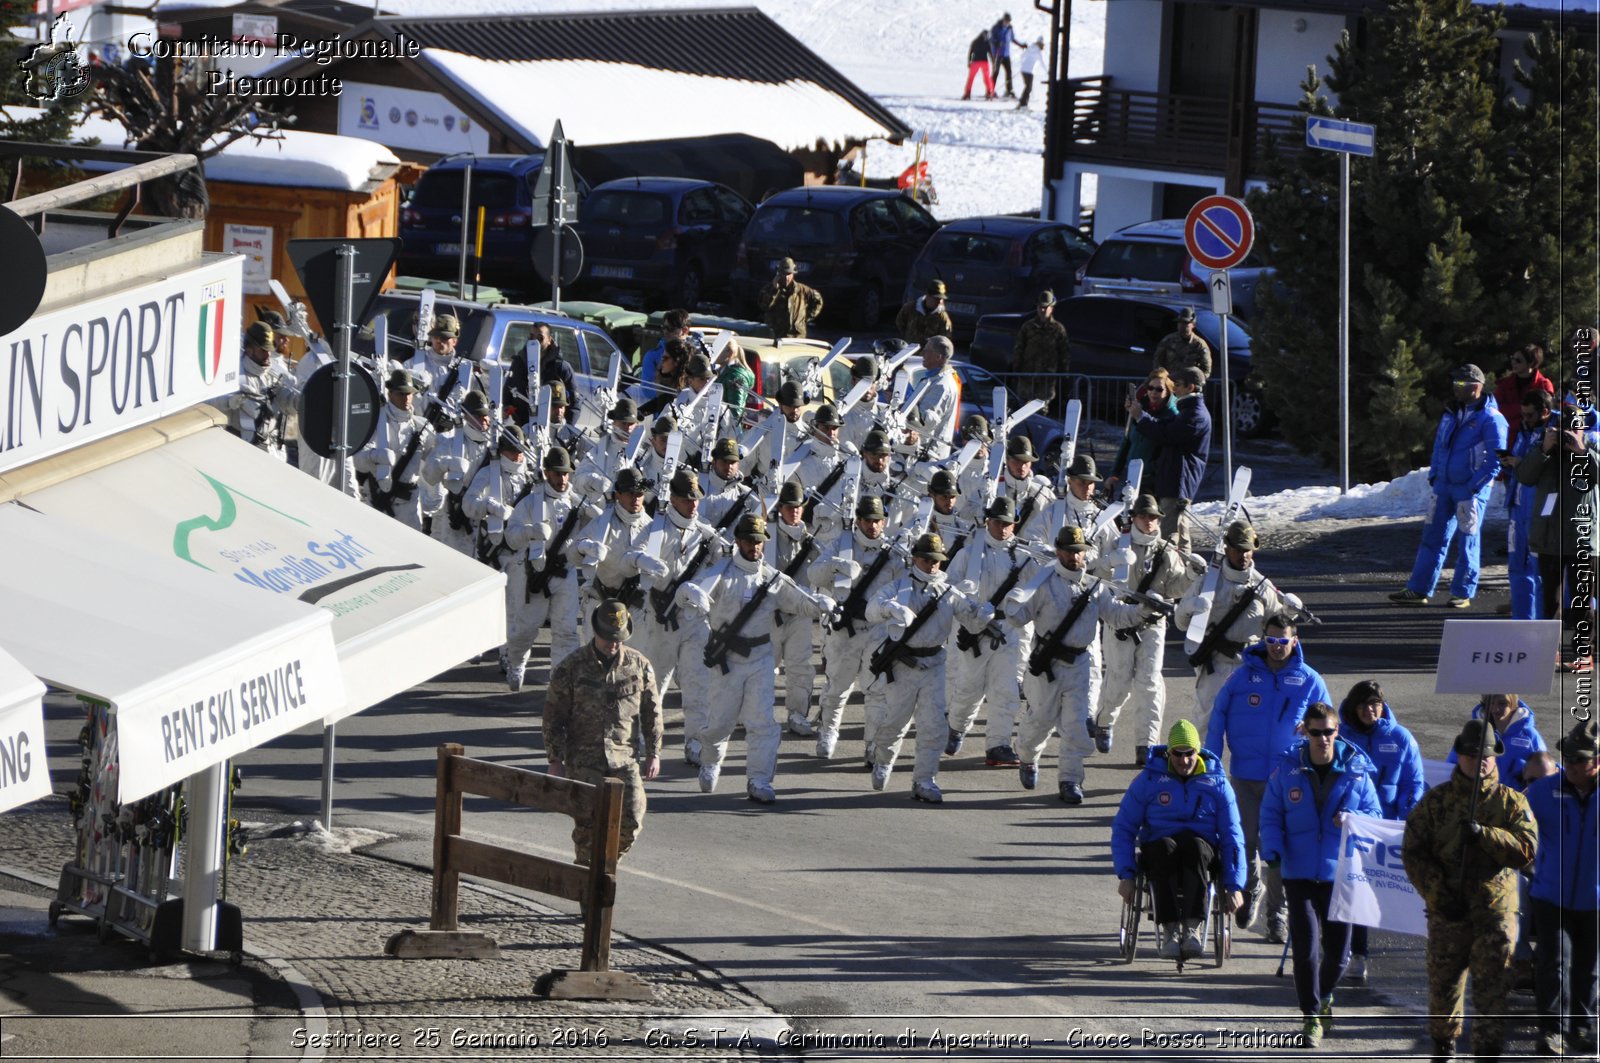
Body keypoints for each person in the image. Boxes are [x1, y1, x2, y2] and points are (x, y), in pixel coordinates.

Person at [1402, 719, 1539, 1062]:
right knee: (1444, 988)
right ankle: (1443, 1047)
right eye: (1472, 754)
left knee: (1492, 990)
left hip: (1493, 913)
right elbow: (1413, 851)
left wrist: (1485, 835)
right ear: (1460, 756)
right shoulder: (1435, 803)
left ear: (1496, 759)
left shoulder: (1511, 803)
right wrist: (1438, 894)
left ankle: (1487, 1053)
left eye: (1487, 755)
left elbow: (1526, 850)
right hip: (1448, 912)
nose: (1480, 761)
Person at [677, 513, 835, 803]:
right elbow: (689, 592)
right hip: (727, 660)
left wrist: (820, 605)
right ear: (738, 541)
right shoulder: (721, 572)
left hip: (761, 658)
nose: (755, 547)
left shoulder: (773, 578)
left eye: (760, 542)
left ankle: (759, 780)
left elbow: (799, 601)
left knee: (762, 723)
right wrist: (688, 593)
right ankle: (711, 761)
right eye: (749, 541)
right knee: (720, 724)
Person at [1259, 703, 1382, 1048]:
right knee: (1306, 949)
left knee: (1340, 954)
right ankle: (1311, 1015)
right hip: (1298, 873)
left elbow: (1374, 814)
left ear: (1337, 731)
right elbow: (1270, 814)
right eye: (1316, 733)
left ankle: (1324, 996)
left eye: (1329, 732)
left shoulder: (1357, 771)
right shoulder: (1287, 769)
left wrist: (1352, 817)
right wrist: (1271, 850)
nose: (1323, 739)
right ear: (1305, 732)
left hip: (1341, 875)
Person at [1005, 525, 1156, 804]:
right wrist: (1012, 601)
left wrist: (1143, 611)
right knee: (1040, 721)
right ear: (1058, 551)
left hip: (1080, 664)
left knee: (1075, 725)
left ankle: (1070, 780)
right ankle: (1026, 756)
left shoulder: (1095, 586)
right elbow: (1018, 617)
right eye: (1069, 551)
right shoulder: (1043, 582)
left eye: (1079, 552)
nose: (1075, 557)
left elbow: (1117, 616)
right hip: (1047, 664)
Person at [1206, 614, 1330, 943]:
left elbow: (1327, 728)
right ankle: (1250, 888)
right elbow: (1217, 718)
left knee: (1277, 850)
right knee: (1243, 844)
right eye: (1271, 641)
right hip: (1244, 777)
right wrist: (1212, 763)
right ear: (1263, 640)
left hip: (1287, 781)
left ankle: (1278, 913)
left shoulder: (1309, 680)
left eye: (1283, 641)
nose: (1276, 647)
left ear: (1295, 640)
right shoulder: (1241, 677)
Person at [864, 531, 987, 802]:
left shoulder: (948, 591)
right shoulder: (898, 587)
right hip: (903, 664)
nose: (932, 565)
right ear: (915, 559)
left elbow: (972, 622)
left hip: (934, 663)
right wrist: (891, 609)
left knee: (933, 727)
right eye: (926, 560)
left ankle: (925, 780)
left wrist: (984, 613)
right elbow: (871, 610)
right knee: (895, 722)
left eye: (936, 560)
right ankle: (883, 759)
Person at [1112, 719, 1247, 960]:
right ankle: (1170, 928)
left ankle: (1192, 926)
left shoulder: (1217, 784)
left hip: (1201, 846)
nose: (1184, 761)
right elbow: (1123, 827)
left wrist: (1234, 885)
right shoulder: (1149, 780)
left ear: (1198, 752)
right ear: (1168, 752)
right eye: (1177, 754)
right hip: (1160, 843)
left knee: (1194, 847)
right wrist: (1126, 874)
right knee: (1166, 849)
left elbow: (1232, 835)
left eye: (1189, 754)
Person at [543, 599, 662, 863]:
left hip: (624, 758)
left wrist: (654, 752)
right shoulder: (570, 668)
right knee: (587, 828)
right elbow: (554, 716)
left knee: (631, 821)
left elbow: (651, 710)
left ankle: (604, 866)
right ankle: (589, 886)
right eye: (608, 638)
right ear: (595, 631)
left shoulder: (638, 665)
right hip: (584, 761)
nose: (613, 644)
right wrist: (555, 759)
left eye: (618, 639)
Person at [1094, 495, 1200, 767]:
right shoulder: (1118, 545)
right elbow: (1098, 581)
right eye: (1144, 516)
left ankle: (1147, 744)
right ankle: (1104, 721)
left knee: (1150, 683)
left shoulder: (1166, 550)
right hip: (1120, 622)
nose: (1150, 521)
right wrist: (1108, 562)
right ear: (1134, 518)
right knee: (1118, 682)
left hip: (1153, 624)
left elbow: (1175, 587)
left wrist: (1191, 576)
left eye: (1154, 517)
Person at [1389, 364, 1508, 608]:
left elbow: (1497, 458)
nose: (1456, 388)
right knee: (1432, 537)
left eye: (1461, 384)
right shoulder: (1451, 412)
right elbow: (1439, 447)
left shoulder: (1491, 418)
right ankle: (1418, 588)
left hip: (1469, 491)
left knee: (1468, 541)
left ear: (1476, 386)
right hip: (1443, 487)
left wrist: (1475, 485)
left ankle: (1462, 592)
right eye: (1454, 383)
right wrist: (1435, 475)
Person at [1335, 679, 1426, 985]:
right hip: (1356, 827)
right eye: (1364, 705)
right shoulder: (1341, 737)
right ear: (1353, 707)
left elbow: (1414, 783)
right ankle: (1357, 953)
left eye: (1375, 705)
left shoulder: (1401, 738)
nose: (1370, 711)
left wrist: (1407, 820)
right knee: (1354, 889)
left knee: (1388, 892)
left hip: (1388, 828)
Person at [806, 495, 906, 760]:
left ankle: (872, 744)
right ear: (858, 520)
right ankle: (828, 732)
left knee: (876, 691)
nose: (872, 526)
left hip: (878, 629)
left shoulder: (893, 553)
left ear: (884, 522)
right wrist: (836, 564)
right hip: (845, 630)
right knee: (837, 687)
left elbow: (903, 589)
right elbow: (813, 574)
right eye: (867, 521)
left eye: (877, 521)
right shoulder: (841, 544)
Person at [1525, 718, 1600, 1057]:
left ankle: (1581, 1028)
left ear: (1596, 762)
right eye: (1567, 759)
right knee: (1553, 963)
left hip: (1594, 900)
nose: (1569, 765)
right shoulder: (1543, 791)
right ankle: (1551, 1031)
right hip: (1550, 895)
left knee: (1589, 967)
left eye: (1578, 760)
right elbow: (1512, 818)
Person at [944, 497, 1036, 765]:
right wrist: (969, 609)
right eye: (998, 522)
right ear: (988, 522)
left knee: (1006, 691)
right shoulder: (968, 554)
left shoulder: (1025, 557)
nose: (1003, 528)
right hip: (973, 628)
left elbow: (1038, 592)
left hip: (1008, 629)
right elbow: (947, 589)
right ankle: (957, 727)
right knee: (968, 689)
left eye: (1008, 523)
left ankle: (998, 744)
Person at [1175, 520, 1289, 733]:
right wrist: (1191, 605)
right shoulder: (1207, 581)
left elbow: (1278, 627)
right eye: (1238, 549)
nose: (1243, 555)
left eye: (1247, 550)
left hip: (1249, 666)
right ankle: (1202, 766)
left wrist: (1289, 613)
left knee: (1250, 727)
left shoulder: (1263, 587)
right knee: (1205, 724)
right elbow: (1180, 622)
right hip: (1214, 666)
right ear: (1226, 548)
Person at [503, 445, 598, 693]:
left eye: (566, 473)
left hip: (565, 574)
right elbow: (511, 538)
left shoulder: (578, 505)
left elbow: (598, 531)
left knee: (566, 631)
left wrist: (596, 516)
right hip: (534, 573)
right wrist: (529, 531)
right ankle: (516, 662)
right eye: (557, 473)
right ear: (546, 473)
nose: (562, 478)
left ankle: (559, 680)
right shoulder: (531, 503)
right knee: (524, 630)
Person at [1517, 410, 1600, 672]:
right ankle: (1549, 651)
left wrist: (1580, 450)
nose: (1567, 434)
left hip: (1583, 540)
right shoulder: (1545, 449)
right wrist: (1543, 448)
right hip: (1550, 538)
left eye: (1573, 428)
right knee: (1550, 600)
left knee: (1582, 599)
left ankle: (1583, 655)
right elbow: (1524, 476)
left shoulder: (1591, 447)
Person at [1125, 365, 1210, 554]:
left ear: (1191, 387)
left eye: (1178, 384)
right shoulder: (1188, 410)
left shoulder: (1195, 414)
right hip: (1174, 481)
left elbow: (1166, 435)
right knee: (1175, 535)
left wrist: (1141, 417)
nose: (1174, 388)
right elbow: (1164, 426)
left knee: (1172, 540)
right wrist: (1142, 416)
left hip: (1178, 483)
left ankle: (1179, 578)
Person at [354, 368, 436, 531]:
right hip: (378, 497)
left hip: (410, 506)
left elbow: (432, 465)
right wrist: (374, 456)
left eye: (409, 393)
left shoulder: (422, 427)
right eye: (400, 393)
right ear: (390, 393)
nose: (405, 398)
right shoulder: (377, 421)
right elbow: (358, 460)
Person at [1500, 390, 1551, 620]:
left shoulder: (1553, 436)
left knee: (1540, 572)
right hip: (1518, 507)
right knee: (1517, 567)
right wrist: (1509, 463)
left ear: (1545, 412)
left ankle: (1543, 629)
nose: (1525, 419)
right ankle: (1520, 623)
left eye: (1530, 415)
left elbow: (1551, 473)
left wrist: (1522, 463)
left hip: (1539, 511)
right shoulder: (1524, 431)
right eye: (1523, 415)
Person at [1446, 693, 1549, 791]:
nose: (1495, 709)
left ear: (1513, 703)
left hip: (1515, 803)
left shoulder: (1529, 736)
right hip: (1478, 799)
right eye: (1490, 703)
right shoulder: (1474, 731)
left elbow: (1547, 770)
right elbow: (1451, 767)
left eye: (1502, 703)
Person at [224, 321, 296, 460]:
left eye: (269, 350)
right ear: (250, 349)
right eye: (263, 350)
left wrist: (297, 401)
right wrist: (228, 401)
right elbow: (210, 405)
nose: (268, 355)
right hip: (239, 452)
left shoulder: (273, 375)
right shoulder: (233, 374)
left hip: (270, 449)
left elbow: (285, 400)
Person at [1106, 368, 1176, 500]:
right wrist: (1114, 474)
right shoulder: (1139, 409)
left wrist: (1140, 417)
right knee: (1120, 516)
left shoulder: (1171, 415)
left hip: (1153, 481)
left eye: (1159, 389)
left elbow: (1160, 437)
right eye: (1150, 388)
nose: (1153, 392)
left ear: (1167, 390)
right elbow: (1127, 441)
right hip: (1133, 476)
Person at [1012, 290, 1070, 408]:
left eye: (1045, 307)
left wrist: (1064, 374)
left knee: (1041, 410)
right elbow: (1019, 348)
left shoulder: (1058, 329)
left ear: (1051, 308)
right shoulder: (1028, 327)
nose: (1042, 310)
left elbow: (1064, 352)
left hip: (1047, 379)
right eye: (1040, 307)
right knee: (1022, 409)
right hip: (1027, 376)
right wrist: (1016, 368)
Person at [759, 257, 824, 339]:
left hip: (797, 336)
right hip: (775, 335)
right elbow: (764, 306)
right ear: (778, 274)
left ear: (793, 274)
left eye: (789, 274)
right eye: (783, 274)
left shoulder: (803, 290)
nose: (786, 278)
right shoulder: (769, 289)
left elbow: (818, 301)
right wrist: (774, 290)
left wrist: (805, 317)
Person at [1492, 341, 1555, 420]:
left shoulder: (1543, 385)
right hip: (1507, 430)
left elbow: (1546, 413)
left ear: (1531, 363)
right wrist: (1522, 408)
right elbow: (1495, 408)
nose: (1513, 362)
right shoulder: (1504, 384)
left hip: (1534, 431)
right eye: (1512, 358)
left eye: (1518, 360)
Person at [1151, 307, 1212, 379]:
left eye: (1186, 323)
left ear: (1193, 325)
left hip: (1188, 385)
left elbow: (1206, 369)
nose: (1182, 325)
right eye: (1180, 322)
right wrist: (1163, 378)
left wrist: (1196, 381)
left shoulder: (1199, 344)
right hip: (1170, 382)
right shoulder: (1168, 340)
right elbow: (1157, 362)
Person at [896, 279, 953, 346]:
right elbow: (900, 323)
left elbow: (945, 340)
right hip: (909, 350)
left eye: (941, 299)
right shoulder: (910, 308)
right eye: (936, 299)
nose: (939, 302)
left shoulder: (943, 318)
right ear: (928, 296)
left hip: (929, 354)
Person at [961, 28, 995, 101]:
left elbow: (970, 52)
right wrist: (993, 63)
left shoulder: (975, 42)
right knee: (987, 78)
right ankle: (990, 92)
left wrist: (969, 61)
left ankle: (967, 93)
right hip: (984, 62)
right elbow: (991, 54)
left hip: (975, 62)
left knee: (971, 78)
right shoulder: (987, 42)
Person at [989, 13, 1016, 98]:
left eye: (1009, 21)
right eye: (1006, 21)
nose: (1007, 22)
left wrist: (1021, 45)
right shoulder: (996, 27)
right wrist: (997, 43)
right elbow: (991, 39)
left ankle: (1009, 91)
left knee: (1009, 72)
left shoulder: (1010, 28)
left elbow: (1012, 39)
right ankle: (990, 90)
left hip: (1006, 54)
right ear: (1003, 20)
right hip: (998, 54)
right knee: (996, 72)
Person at [1017, 36, 1044, 109]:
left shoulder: (1030, 47)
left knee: (1028, 87)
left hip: (1024, 70)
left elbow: (1022, 56)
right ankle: (1023, 104)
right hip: (1029, 71)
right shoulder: (1038, 51)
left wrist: (1023, 64)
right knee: (1028, 87)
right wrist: (1048, 72)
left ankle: (1023, 103)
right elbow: (1042, 63)